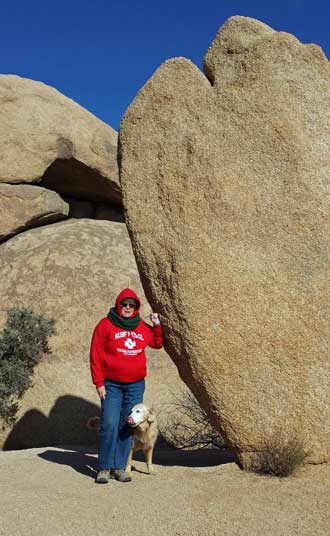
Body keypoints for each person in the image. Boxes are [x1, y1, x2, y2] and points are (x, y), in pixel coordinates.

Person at [90, 287, 163, 484]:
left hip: (135, 385)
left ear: (136, 307)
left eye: (132, 305)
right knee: (110, 424)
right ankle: (104, 467)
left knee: (127, 425)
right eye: (124, 304)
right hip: (111, 384)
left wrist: (156, 324)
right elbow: (95, 355)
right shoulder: (105, 325)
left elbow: (157, 343)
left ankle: (119, 467)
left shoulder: (141, 326)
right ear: (118, 305)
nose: (128, 308)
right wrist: (99, 383)